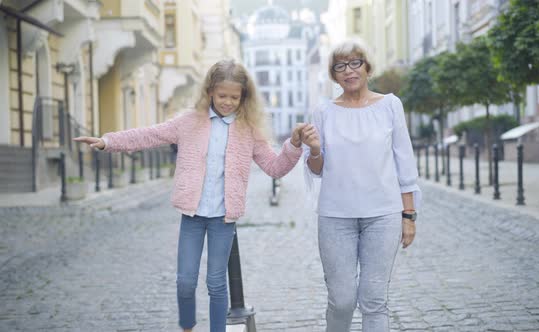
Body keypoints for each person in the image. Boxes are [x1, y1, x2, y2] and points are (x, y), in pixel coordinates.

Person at [74, 59, 308, 332]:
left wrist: (294, 145)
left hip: (223, 219)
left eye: (235, 97)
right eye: (222, 96)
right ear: (210, 91)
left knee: (216, 282)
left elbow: (275, 166)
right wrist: (108, 142)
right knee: (185, 281)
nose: (228, 102)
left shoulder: (249, 130)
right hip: (192, 216)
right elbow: (150, 135)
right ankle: (187, 328)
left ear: (244, 96)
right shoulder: (189, 121)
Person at [299, 39, 421, 332]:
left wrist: (409, 216)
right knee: (341, 300)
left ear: (367, 67)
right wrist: (314, 150)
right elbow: (316, 169)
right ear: (334, 74)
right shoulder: (323, 112)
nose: (349, 71)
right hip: (335, 217)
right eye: (340, 66)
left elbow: (404, 164)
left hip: (383, 215)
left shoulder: (391, 105)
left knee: (374, 299)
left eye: (355, 63)